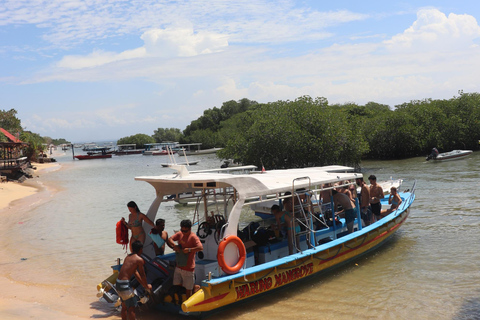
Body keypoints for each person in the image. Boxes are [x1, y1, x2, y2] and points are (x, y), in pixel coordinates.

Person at [116, 240, 152, 320]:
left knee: (124, 306)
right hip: (125, 285)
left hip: (118, 283)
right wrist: (146, 286)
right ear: (141, 250)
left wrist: (143, 285)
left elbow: (135, 272)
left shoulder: (128, 257)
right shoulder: (139, 260)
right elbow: (142, 274)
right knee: (131, 307)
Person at [167, 219, 203, 299]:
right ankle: (194, 286)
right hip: (179, 265)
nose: (183, 232)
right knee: (176, 283)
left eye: (185, 231)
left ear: (190, 229)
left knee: (188, 289)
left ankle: (188, 303)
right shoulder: (180, 234)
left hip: (189, 267)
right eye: (182, 230)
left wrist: (189, 250)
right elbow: (170, 239)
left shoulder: (193, 237)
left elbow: (200, 247)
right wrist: (174, 246)